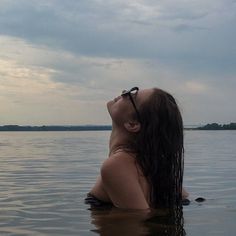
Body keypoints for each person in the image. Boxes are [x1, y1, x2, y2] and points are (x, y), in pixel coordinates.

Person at [86, 87, 188, 210]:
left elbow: (137, 222)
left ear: (132, 124)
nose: (124, 93)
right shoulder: (155, 166)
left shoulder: (117, 165)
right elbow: (183, 199)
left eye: (131, 95)